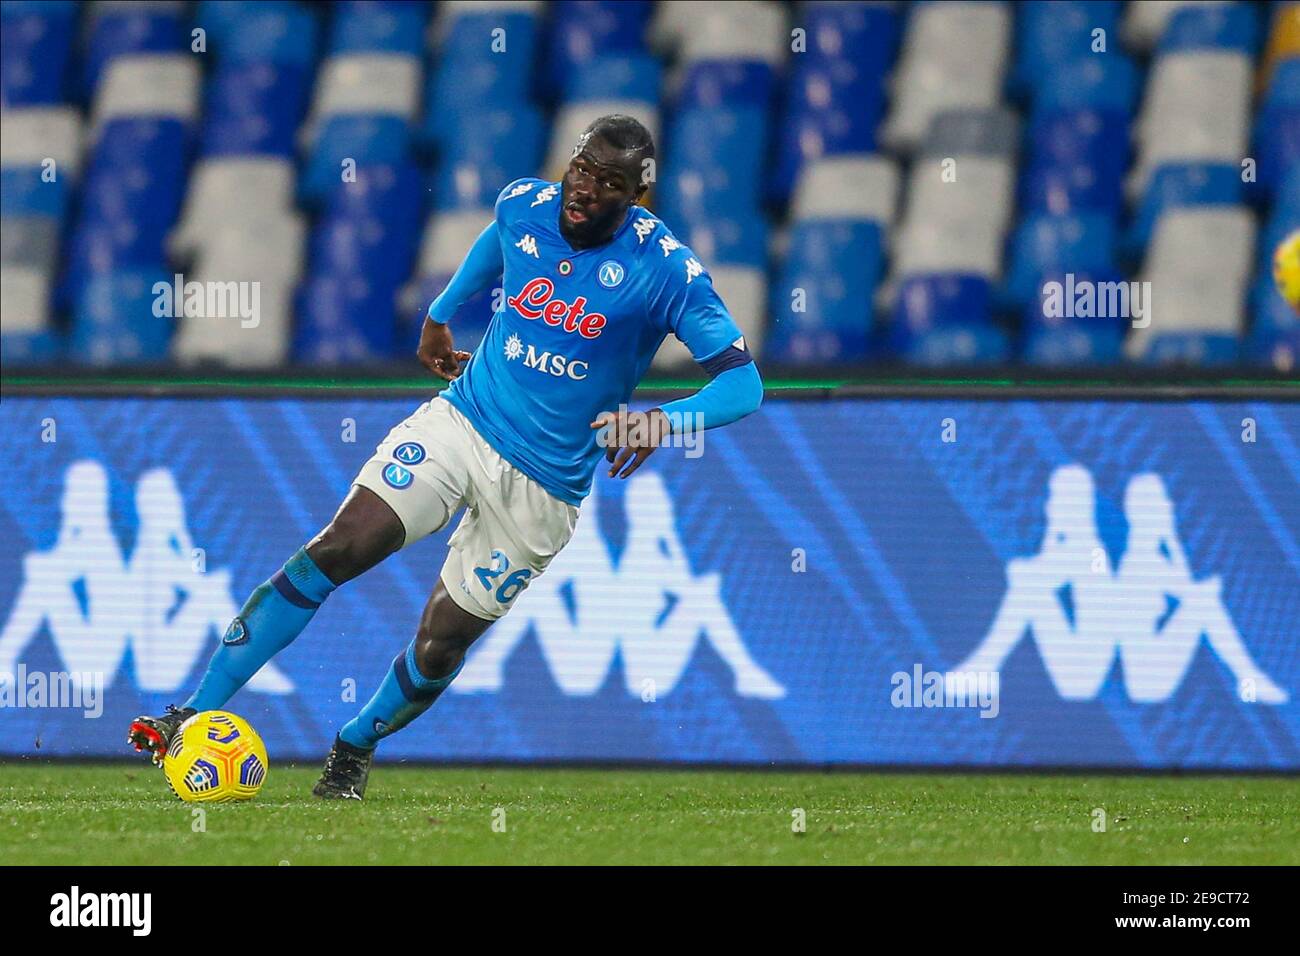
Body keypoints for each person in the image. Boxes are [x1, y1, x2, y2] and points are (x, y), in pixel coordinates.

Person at [128, 114, 765, 797]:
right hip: (464, 422)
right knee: (341, 546)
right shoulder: (526, 205)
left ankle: (354, 743)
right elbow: (499, 243)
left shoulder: (664, 269)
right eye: (582, 170)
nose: (584, 190)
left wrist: (663, 423)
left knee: (442, 643)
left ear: (636, 197)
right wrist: (440, 314)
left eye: (609, 183)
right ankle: (190, 713)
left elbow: (742, 383)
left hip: (544, 486)